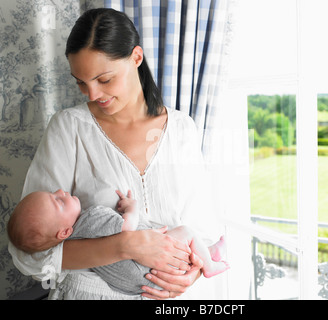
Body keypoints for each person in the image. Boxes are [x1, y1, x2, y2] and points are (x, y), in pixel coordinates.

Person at [8, 8, 221, 300]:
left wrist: (190, 276)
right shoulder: (69, 128)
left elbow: (203, 230)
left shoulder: (182, 129)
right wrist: (124, 246)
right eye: (81, 82)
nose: (92, 94)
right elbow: (30, 253)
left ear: (136, 57)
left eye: (104, 79)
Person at [8, 189, 229, 295]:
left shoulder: (76, 240)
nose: (60, 190)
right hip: (151, 271)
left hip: (140, 286)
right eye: (57, 200)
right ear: (65, 231)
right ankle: (209, 264)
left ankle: (203, 258)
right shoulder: (91, 217)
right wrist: (131, 208)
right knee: (186, 231)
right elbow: (127, 229)